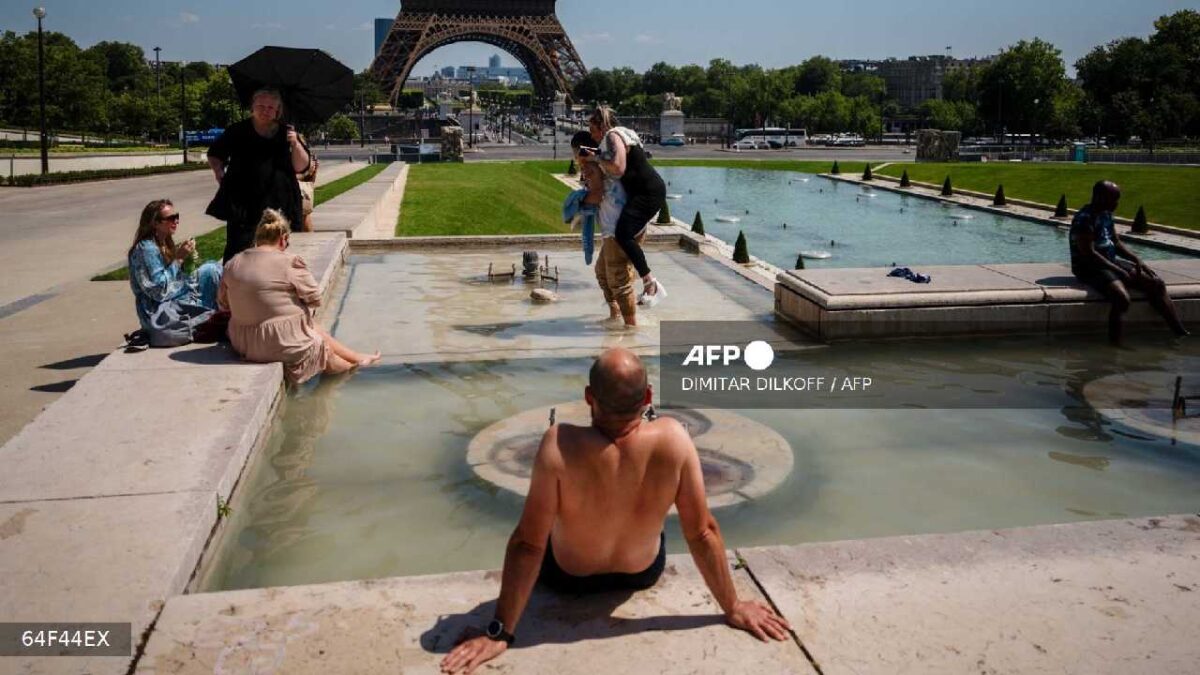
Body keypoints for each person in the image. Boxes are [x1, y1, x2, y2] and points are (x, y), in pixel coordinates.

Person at [440, 349, 791, 674]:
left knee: (544, 525)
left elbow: (528, 545)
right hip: (640, 573)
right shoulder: (674, 438)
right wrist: (732, 607)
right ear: (648, 397)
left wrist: (499, 631)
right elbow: (702, 532)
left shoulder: (559, 442)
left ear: (589, 398)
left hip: (568, 577)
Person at [219, 209, 380, 384]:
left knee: (306, 324)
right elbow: (315, 298)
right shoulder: (289, 262)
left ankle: (357, 357)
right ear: (283, 239)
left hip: (242, 340)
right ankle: (354, 371)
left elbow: (223, 303)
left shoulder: (233, 263)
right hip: (278, 342)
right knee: (323, 350)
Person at [1070, 180, 1187, 344]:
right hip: (1089, 268)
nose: (1116, 204)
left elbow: (1116, 243)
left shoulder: (1106, 214)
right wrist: (1119, 271)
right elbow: (1089, 254)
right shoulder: (1084, 219)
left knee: (1157, 284)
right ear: (1099, 198)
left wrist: (1136, 259)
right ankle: (1115, 344)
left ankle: (1180, 332)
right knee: (1121, 298)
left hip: (1109, 262)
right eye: (1113, 199)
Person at [206, 89, 311, 262]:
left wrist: (295, 143)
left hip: (281, 202)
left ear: (277, 110)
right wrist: (218, 172)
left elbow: (301, 166)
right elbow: (215, 154)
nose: (265, 110)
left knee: (281, 250)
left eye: (271, 107)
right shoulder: (237, 131)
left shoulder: (287, 132)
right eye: (261, 106)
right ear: (252, 107)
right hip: (244, 202)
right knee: (238, 251)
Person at [584, 107, 668, 306]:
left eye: (592, 129)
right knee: (624, 234)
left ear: (602, 126)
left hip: (648, 192)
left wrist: (594, 157)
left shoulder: (613, 135)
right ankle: (647, 282)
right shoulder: (622, 133)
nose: (592, 134)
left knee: (623, 234)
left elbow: (618, 167)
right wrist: (593, 154)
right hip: (646, 190)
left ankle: (650, 282)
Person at [570, 131, 640, 327]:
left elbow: (597, 194)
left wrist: (574, 205)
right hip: (622, 224)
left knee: (618, 280)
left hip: (617, 227)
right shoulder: (602, 159)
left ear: (580, 150)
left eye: (575, 154)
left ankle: (631, 329)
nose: (575, 159)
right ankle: (615, 314)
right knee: (603, 272)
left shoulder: (593, 165)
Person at [128, 199, 222, 332]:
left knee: (212, 267)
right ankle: (218, 318)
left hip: (169, 302)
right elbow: (159, 290)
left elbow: (174, 279)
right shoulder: (146, 249)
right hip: (157, 312)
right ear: (155, 223)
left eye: (176, 216)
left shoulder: (163, 243)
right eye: (171, 218)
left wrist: (187, 263)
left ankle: (217, 317)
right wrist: (179, 259)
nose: (176, 221)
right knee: (211, 270)